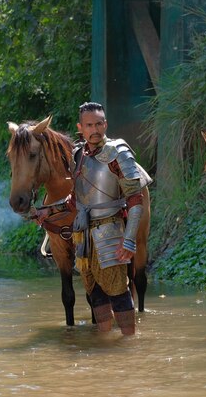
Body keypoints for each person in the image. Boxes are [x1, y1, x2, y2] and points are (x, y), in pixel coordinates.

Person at [70, 101, 152, 335]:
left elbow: (135, 200)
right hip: (84, 236)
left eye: (98, 124)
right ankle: (104, 341)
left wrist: (129, 239)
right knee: (94, 292)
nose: (94, 129)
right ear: (81, 128)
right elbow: (77, 198)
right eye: (89, 125)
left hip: (110, 230)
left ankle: (129, 346)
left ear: (105, 124)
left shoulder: (117, 152)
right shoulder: (77, 155)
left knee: (118, 292)